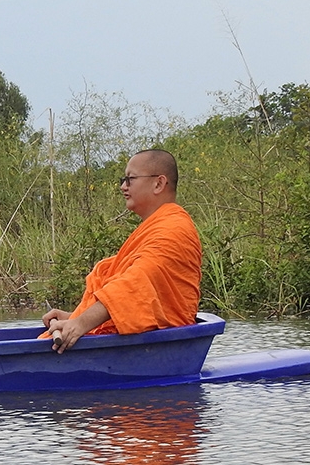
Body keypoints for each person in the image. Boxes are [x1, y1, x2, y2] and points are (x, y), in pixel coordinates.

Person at [42, 149, 202, 353]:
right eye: (123, 179)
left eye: (130, 179)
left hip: (167, 342)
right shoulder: (156, 226)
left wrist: (81, 323)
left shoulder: (174, 230)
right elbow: (133, 293)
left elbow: (135, 283)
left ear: (159, 183)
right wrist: (76, 315)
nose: (123, 186)